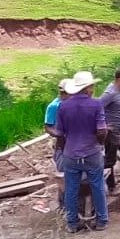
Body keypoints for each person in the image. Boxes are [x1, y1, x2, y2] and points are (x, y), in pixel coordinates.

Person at [56, 71, 109, 233]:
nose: (93, 88)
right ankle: (101, 221)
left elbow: (60, 134)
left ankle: (72, 223)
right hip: (91, 152)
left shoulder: (63, 106)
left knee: (71, 189)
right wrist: (100, 144)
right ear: (88, 87)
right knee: (97, 186)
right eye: (92, 85)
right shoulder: (96, 104)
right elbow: (102, 130)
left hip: (71, 154)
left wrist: (63, 150)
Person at [43, 78, 72, 210]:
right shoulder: (54, 106)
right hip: (62, 146)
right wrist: (59, 134)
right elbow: (48, 127)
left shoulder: (72, 104)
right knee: (62, 177)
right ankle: (63, 205)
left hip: (74, 145)